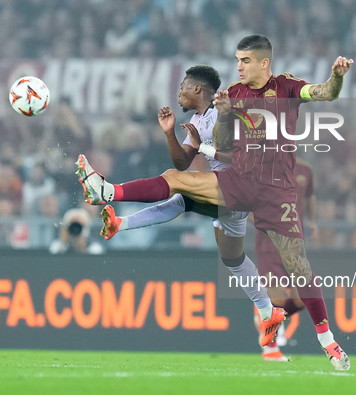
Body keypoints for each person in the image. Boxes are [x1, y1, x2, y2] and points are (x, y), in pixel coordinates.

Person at [77, 35, 353, 370]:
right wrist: (223, 115)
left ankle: (329, 343)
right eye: (237, 59)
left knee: (299, 267)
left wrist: (337, 76)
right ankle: (109, 194)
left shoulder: (286, 87)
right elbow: (223, 142)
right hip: (239, 181)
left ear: (264, 62)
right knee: (183, 192)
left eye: (245, 60)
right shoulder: (233, 95)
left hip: (277, 192)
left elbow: (325, 92)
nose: (238, 66)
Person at [98, 65, 286, 349]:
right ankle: (268, 312)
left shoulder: (227, 112)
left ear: (198, 89)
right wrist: (170, 133)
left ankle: (109, 191)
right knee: (231, 259)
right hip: (227, 198)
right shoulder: (198, 121)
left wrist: (205, 148)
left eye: (183, 85)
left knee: (175, 184)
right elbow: (183, 162)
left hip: (244, 186)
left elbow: (244, 158)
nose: (179, 92)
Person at [252, 157, 320, 361]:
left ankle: (265, 319)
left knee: (303, 296)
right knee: (277, 296)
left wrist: (313, 222)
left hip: (295, 242)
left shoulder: (306, 169)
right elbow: (244, 206)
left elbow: (309, 196)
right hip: (269, 241)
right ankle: (270, 348)